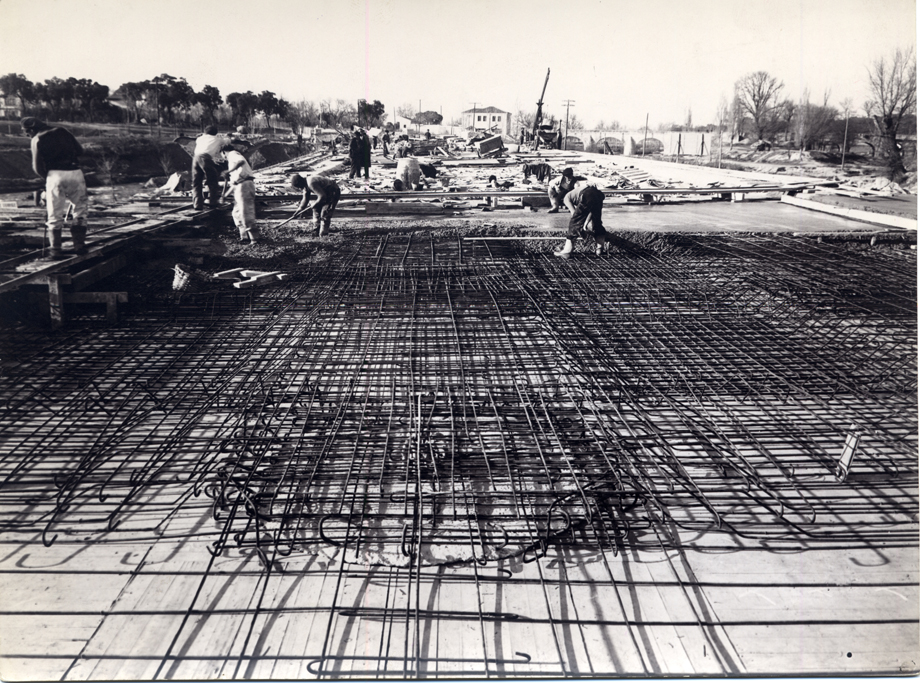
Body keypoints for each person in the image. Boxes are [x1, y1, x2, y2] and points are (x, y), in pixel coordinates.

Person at [21, 117, 88, 259]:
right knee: (80, 211)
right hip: (75, 173)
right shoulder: (62, 131)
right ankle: (79, 246)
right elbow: (80, 151)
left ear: (32, 129)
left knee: (54, 214)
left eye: (27, 133)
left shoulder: (37, 139)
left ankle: (56, 250)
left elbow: (37, 167)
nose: (27, 136)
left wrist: (49, 178)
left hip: (55, 174)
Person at [555, 181, 608, 259]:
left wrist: (581, 226)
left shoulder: (566, 198)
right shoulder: (576, 192)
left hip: (587, 194)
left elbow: (575, 216)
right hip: (598, 194)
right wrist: (585, 224)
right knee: (597, 223)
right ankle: (600, 249)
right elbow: (591, 212)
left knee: (573, 223)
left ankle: (566, 251)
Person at [221, 142, 259, 244]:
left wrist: (228, 172)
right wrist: (225, 195)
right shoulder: (231, 160)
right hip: (239, 185)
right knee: (236, 213)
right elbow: (234, 184)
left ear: (223, 152)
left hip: (245, 185)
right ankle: (244, 237)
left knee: (246, 212)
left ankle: (254, 239)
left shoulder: (233, 154)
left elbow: (241, 161)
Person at [192, 125, 231, 210]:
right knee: (212, 180)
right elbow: (228, 141)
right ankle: (213, 202)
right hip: (206, 159)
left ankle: (197, 205)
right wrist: (228, 136)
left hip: (195, 159)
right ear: (215, 133)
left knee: (196, 182)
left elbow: (203, 138)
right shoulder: (217, 139)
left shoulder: (199, 139)